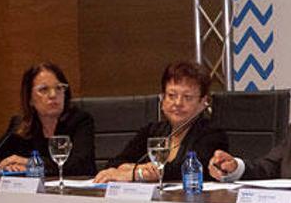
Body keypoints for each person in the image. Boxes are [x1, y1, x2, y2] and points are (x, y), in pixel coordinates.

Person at [94, 61, 228, 183]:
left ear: (202, 103)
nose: (178, 103)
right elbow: (114, 163)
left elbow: (189, 170)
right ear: (162, 99)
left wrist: (138, 174)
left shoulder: (212, 134)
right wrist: (138, 168)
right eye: (171, 95)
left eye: (187, 97)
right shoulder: (152, 131)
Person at [0, 63, 95, 176]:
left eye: (59, 88)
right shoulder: (21, 125)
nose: (53, 95)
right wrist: (7, 166)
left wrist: (31, 163)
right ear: (30, 99)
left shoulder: (80, 120)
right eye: (44, 90)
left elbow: (80, 166)